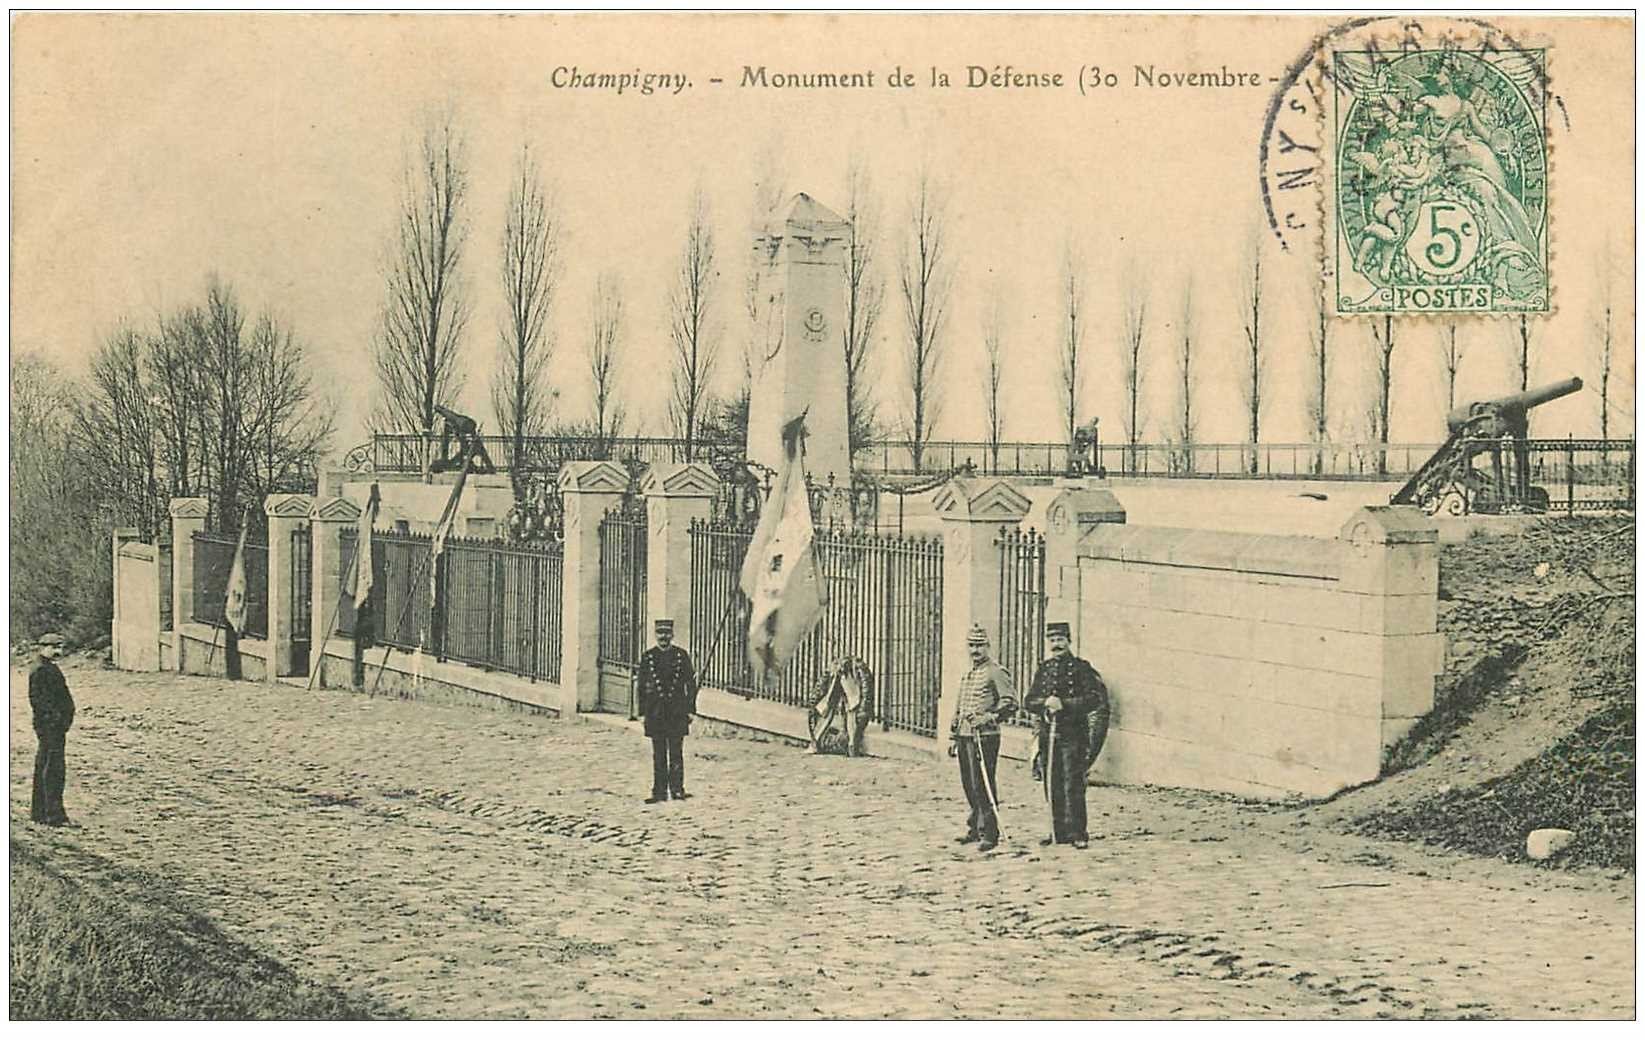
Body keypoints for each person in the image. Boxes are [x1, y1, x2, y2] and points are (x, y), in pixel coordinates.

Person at [1025, 621, 1110, 850]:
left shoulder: (1082, 668)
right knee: (1051, 782)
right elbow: (1029, 701)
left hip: (1073, 734)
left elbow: (1094, 699)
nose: (1056, 644)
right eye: (1052, 640)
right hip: (1048, 735)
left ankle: (1078, 832)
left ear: (1069, 641)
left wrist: (1064, 704)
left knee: (1073, 782)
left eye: (1060, 640)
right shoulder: (1043, 670)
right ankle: (1057, 830)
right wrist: (1045, 703)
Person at [950, 623, 1017, 852]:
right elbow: (961, 703)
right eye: (971, 645)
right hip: (964, 736)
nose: (975, 650)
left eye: (979, 645)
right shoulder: (968, 672)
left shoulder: (996, 671)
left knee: (983, 784)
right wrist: (953, 734)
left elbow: (1010, 703)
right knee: (969, 785)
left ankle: (990, 832)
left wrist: (988, 717)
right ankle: (975, 828)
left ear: (988, 646)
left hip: (985, 736)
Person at [636, 618, 698, 804]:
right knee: (659, 753)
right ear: (656, 635)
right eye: (660, 633)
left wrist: (690, 709)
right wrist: (641, 712)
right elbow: (640, 687)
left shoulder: (681, 656)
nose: (663, 637)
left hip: (676, 711)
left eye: (667, 633)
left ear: (672, 635)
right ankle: (659, 791)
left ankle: (677, 789)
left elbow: (690, 684)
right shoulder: (648, 657)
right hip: (655, 712)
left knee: (676, 752)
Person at [29, 632, 75, 826]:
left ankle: (39, 813)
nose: (58, 651)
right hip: (51, 727)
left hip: (50, 726)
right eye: (54, 647)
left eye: (60, 647)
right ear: (42, 648)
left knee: (44, 765)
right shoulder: (41, 670)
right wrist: (57, 721)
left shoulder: (46, 667)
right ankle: (54, 816)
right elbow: (40, 702)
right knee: (54, 769)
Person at [808, 650, 875, 756]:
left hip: (851, 679)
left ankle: (850, 744)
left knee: (851, 707)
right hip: (846, 680)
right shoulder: (837, 674)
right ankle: (850, 745)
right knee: (845, 706)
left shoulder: (853, 673)